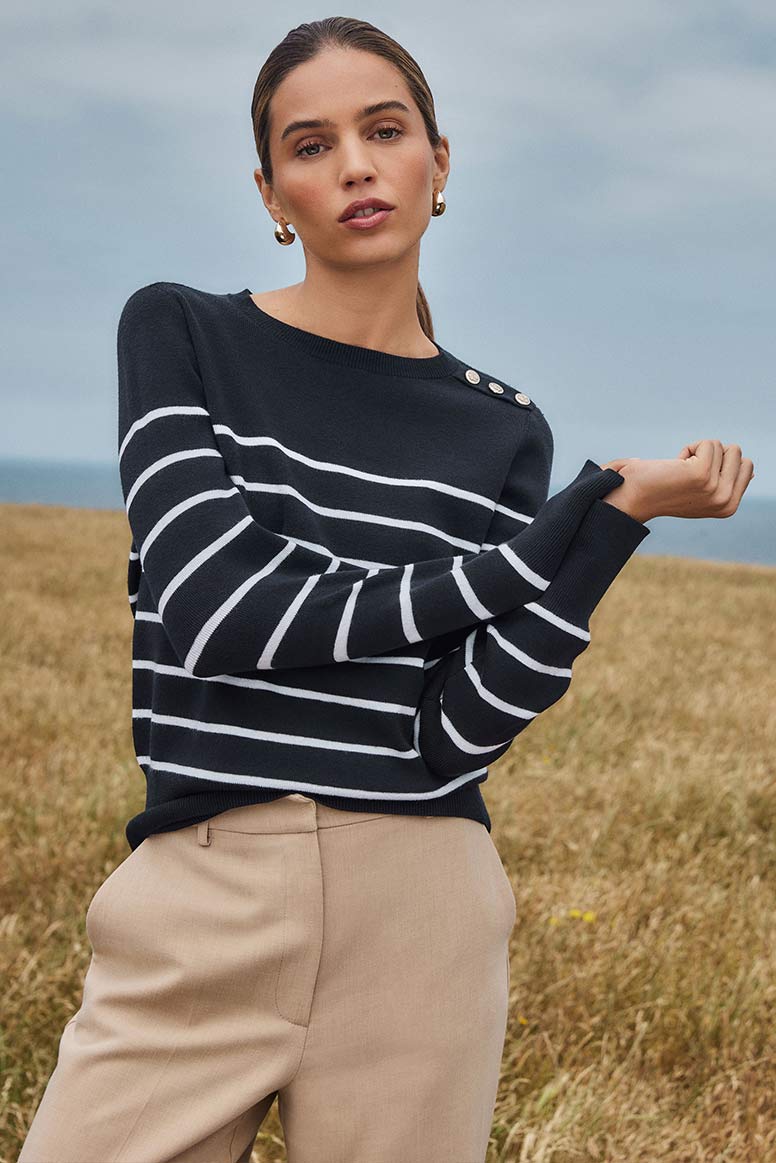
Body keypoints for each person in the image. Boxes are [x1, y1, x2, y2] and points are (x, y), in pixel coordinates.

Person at [18, 16, 754, 1163]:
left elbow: (448, 734)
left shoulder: (503, 427)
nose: (354, 164)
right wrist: (560, 526)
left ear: (438, 162)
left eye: (384, 129)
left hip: (423, 905)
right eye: (309, 146)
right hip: (204, 892)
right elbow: (220, 613)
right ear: (271, 192)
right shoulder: (180, 331)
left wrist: (611, 526)